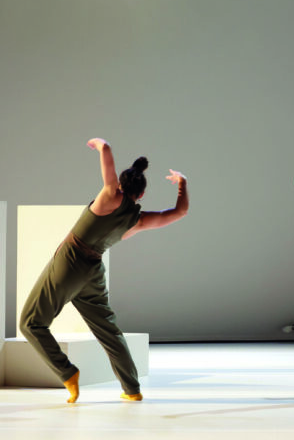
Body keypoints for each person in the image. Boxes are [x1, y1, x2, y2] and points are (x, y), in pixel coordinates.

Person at [19, 138, 189, 403]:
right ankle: (132, 389)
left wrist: (100, 144)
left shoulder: (110, 196)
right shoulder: (139, 219)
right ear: (141, 195)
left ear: (121, 186)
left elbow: (108, 152)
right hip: (94, 271)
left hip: (70, 261)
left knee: (30, 323)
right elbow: (179, 212)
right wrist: (182, 183)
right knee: (109, 332)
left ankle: (67, 373)